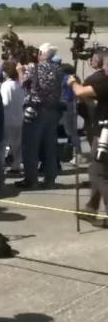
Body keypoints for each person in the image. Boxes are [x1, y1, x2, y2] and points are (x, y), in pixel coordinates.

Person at [16, 43, 64, 189]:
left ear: (43, 53)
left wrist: (20, 71)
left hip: (36, 110)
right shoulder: (58, 69)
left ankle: (31, 179)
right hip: (53, 110)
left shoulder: (34, 68)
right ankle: (50, 179)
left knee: (31, 146)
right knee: (50, 145)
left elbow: (23, 84)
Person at [68, 73, 108, 226]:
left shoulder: (105, 84)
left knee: (98, 174)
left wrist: (73, 83)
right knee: (100, 171)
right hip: (102, 132)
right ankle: (91, 207)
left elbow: (80, 92)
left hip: (105, 135)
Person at [0, 61, 26, 175]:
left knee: (3, 144)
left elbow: (5, 102)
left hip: (7, 119)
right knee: (17, 144)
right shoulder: (19, 85)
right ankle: (16, 164)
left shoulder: (6, 85)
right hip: (19, 118)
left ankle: (0, 165)